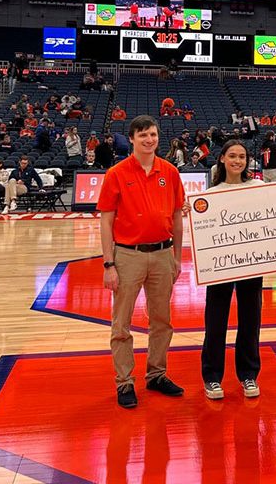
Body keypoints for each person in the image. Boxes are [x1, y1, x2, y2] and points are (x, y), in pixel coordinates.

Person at [97, 115, 186, 409]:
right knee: (121, 323)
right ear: (132, 139)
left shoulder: (170, 172)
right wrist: (108, 264)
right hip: (127, 255)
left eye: (153, 135)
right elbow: (107, 220)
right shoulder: (117, 173)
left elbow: (176, 216)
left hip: (162, 255)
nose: (149, 140)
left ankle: (157, 374)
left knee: (162, 320)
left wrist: (177, 256)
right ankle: (124, 382)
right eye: (143, 135)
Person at [201, 140, 266, 400]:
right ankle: (212, 378)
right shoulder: (212, 193)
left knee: (251, 321)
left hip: (253, 262)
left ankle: (248, 375)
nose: (237, 161)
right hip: (220, 265)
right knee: (215, 322)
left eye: (242, 156)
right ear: (222, 159)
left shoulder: (258, 188)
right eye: (232, 156)